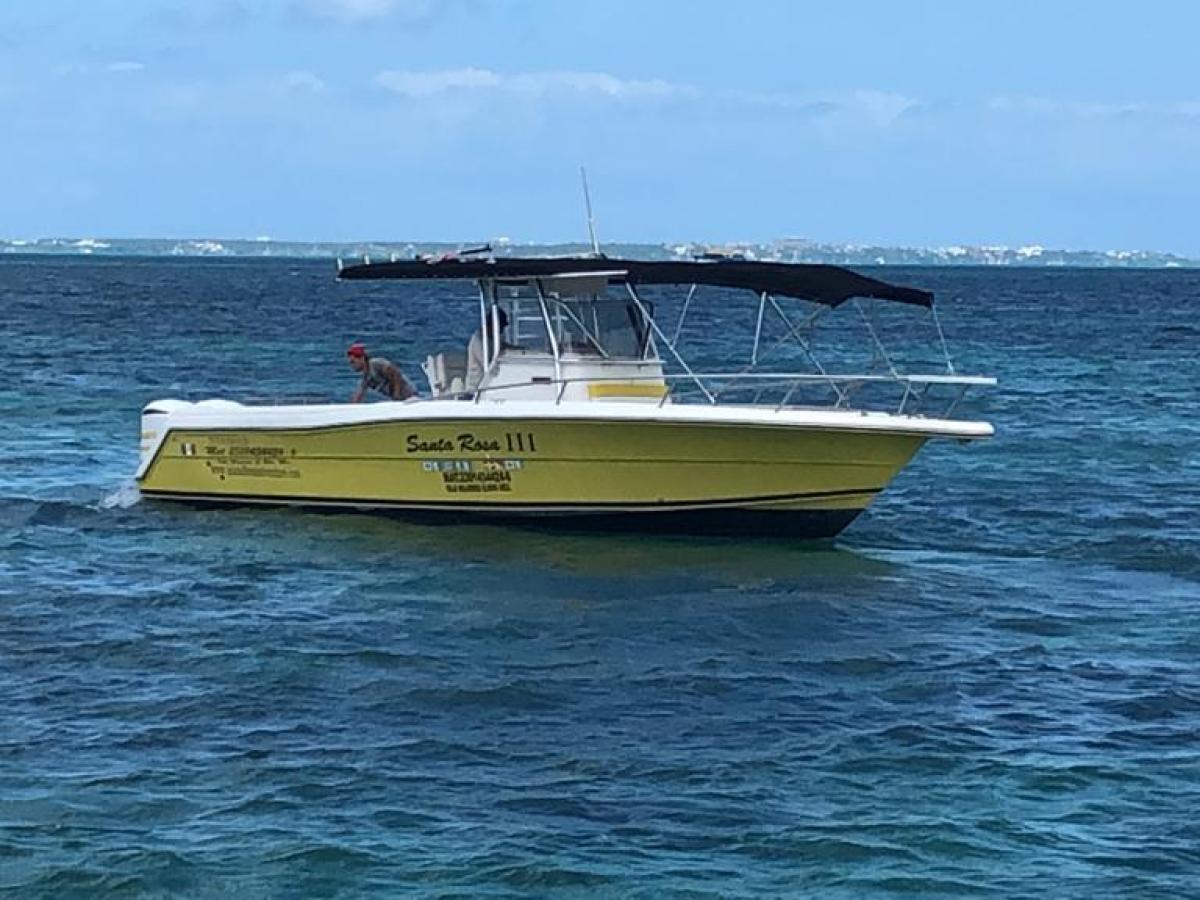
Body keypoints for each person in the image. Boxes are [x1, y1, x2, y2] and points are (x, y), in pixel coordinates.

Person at [346, 342, 417, 402]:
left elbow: (396, 374)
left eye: (353, 362)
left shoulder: (376, 364)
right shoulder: (366, 377)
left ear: (362, 358)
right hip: (401, 401)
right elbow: (359, 394)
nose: (352, 365)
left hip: (410, 397)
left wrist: (396, 395)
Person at [465, 308, 509, 391]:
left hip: (492, 382)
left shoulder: (495, 337)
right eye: (501, 326)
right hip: (477, 386)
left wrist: (520, 349)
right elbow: (487, 364)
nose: (502, 330)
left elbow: (503, 346)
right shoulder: (478, 340)